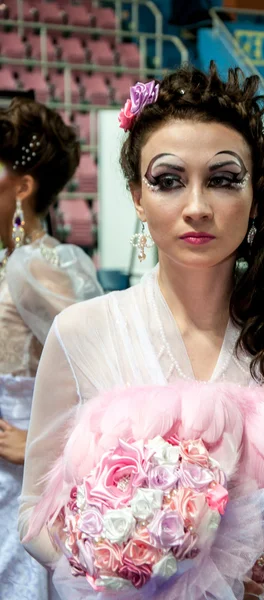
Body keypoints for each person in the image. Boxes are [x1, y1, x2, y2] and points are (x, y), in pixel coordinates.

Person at [19, 65, 264, 599]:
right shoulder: (82, 331)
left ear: (255, 195)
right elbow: (33, 512)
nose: (197, 207)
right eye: (168, 180)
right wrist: (111, 569)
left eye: (224, 179)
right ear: (137, 196)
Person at [0, 98, 103, 600]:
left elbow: (104, 371)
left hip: (17, 472)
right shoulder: (10, 258)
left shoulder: (35, 265)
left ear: (22, 187)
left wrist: (43, 443)